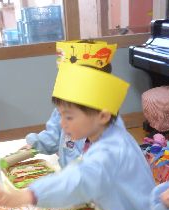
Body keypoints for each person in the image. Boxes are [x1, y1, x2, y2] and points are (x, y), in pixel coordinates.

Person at [0, 63, 166, 210]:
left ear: (102, 116)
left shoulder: (112, 150)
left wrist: (29, 195)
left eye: (69, 117)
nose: (62, 124)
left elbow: (78, 179)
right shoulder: (107, 127)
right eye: (60, 116)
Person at [24, 40, 125, 168]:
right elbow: (53, 136)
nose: (63, 122)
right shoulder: (63, 111)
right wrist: (35, 143)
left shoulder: (108, 126)